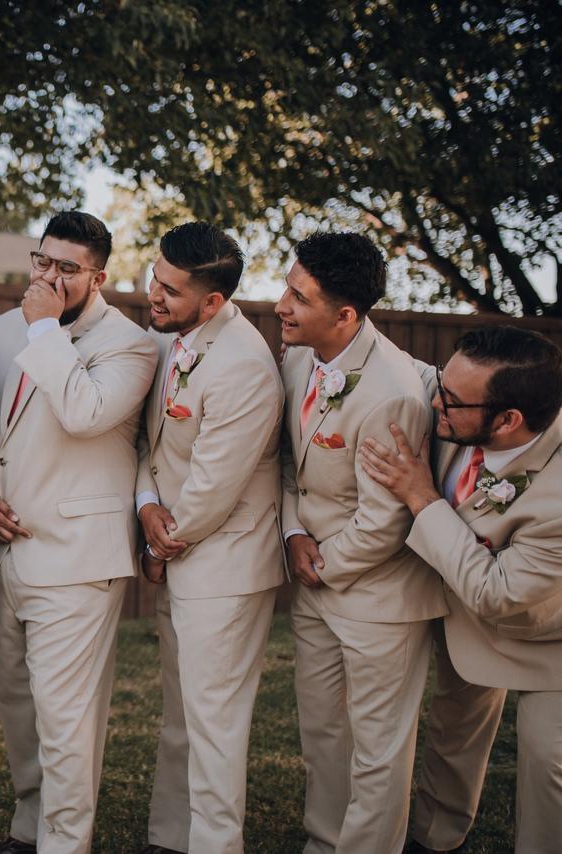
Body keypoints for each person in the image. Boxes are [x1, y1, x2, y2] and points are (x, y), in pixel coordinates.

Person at [0, 211, 157, 854]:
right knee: (17, 706)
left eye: (67, 268)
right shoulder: (0, 331)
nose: (49, 277)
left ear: (99, 276)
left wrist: (45, 328)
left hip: (78, 561)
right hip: (5, 551)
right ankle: (30, 827)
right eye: (42, 262)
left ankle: (64, 842)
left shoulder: (131, 345)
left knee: (66, 720)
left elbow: (83, 413)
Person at [359, 326, 562, 854]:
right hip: (467, 611)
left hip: (552, 636)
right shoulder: (456, 401)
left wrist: (422, 497)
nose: (433, 400)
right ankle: (433, 839)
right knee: (456, 726)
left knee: (549, 764)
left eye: (450, 399)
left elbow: (498, 592)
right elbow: (404, 365)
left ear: (508, 420)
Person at [276, 232, 445, 853]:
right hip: (313, 573)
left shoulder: (392, 392)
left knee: (378, 750)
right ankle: (324, 843)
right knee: (322, 731)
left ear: (345, 315)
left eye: (299, 297)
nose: (281, 305)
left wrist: (324, 566)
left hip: (381, 597)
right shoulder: (297, 357)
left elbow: (388, 520)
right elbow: (287, 462)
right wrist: (294, 533)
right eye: (288, 286)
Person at [137, 223, 286, 854]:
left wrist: (158, 543)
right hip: (180, 550)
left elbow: (212, 488)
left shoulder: (245, 365)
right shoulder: (172, 337)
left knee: (216, 727)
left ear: (213, 302)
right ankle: (173, 838)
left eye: (170, 289)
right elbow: (149, 440)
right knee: (183, 717)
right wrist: (145, 503)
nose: (154, 294)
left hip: (224, 566)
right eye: (155, 276)